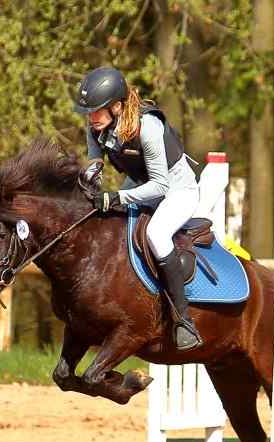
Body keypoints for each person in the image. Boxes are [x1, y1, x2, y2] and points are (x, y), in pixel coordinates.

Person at [73, 66, 202, 351]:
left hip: (177, 191)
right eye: (89, 112)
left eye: (97, 110)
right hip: (141, 185)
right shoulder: (96, 127)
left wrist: (115, 198)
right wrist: (87, 185)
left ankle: (183, 319)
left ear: (117, 106)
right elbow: (95, 163)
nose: (90, 117)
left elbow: (160, 186)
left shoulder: (149, 128)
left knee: (156, 234)